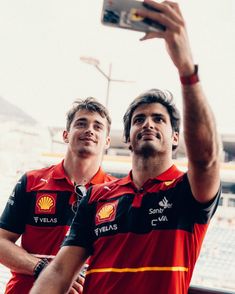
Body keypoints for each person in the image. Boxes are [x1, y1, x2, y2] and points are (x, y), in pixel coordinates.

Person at [30, 1, 221, 293]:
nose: (148, 124)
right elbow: (58, 271)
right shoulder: (96, 197)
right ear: (128, 138)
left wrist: (186, 68)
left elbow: (207, 159)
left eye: (159, 119)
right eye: (139, 119)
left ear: (174, 137)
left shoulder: (188, 191)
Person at [0, 97, 116, 293]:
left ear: (107, 141)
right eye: (81, 123)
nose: (89, 130)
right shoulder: (31, 182)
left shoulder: (117, 193)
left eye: (98, 126)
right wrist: (42, 269)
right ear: (65, 135)